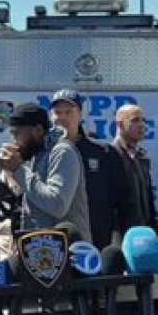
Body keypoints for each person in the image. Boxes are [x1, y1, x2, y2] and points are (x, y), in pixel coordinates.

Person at [50, 89, 137, 249]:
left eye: (68, 112)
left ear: (80, 115)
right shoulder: (42, 154)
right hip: (52, 241)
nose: (62, 117)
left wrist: (121, 240)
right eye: (57, 112)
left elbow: (124, 200)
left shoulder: (103, 153)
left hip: (95, 241)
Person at [0, 102, 90, 240]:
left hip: (67, 252)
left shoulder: (62, 152)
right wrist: (10, 175)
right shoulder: (35, 155)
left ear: (38, 130)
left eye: (17, 134)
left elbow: (57, 205)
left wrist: (19, 169)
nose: (14, 140)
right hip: (40, 250)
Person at [113, 103, 158, 233]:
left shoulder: (142, 157)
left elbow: (147, 197)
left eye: (143, 121)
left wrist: (154, 225)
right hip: (120, 234)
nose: (142, 125)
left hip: (143, 233)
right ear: (120, 124)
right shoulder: (111, 155)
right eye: (135, 120)